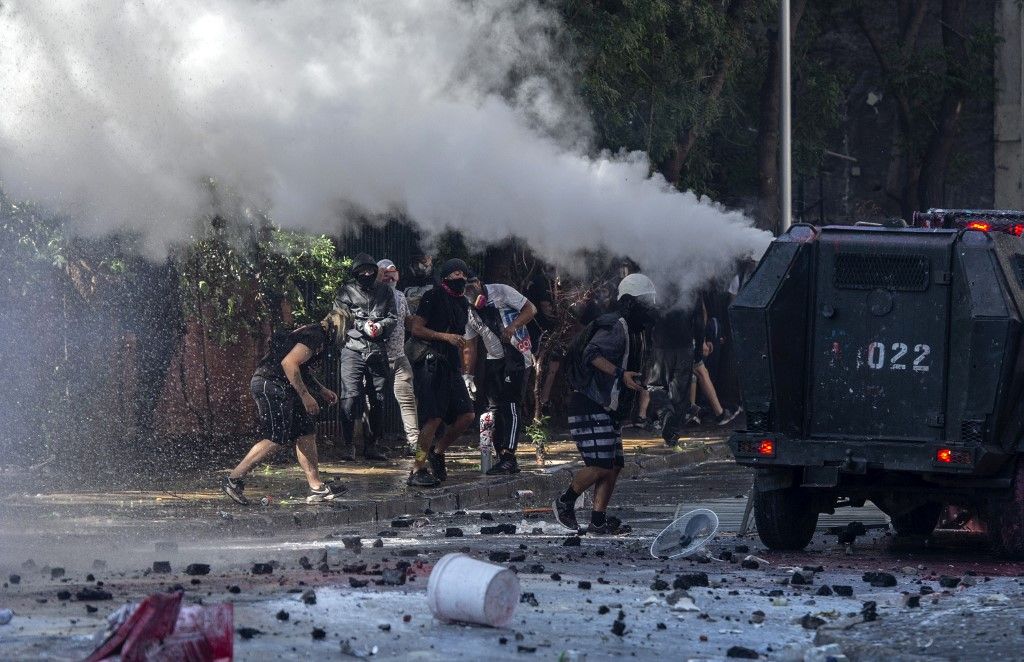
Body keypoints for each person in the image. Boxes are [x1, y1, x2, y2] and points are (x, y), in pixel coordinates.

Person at [553, 273, 658, 534]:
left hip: (607, 408)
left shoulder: (635, 330)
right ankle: (565, 502)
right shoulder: (616, 326)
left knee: (613, 465)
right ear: (630, 303)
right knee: (601, 464)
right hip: (590, 404)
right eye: (646, 302)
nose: (651, 307)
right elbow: (591, 354)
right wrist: (620, 374)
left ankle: (598, 521)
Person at [222, 312, 347, 505]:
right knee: (276, 437)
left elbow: (300, 369)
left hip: (283, 384)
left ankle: (317, 488)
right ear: (340, 327)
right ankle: (233, 479)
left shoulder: (314, 333)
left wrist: (321, 390)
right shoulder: (316, 335)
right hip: (270, 383)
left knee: (306, 431)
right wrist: (306, 396)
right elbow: (289, 363)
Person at [406, 258, 476, 487]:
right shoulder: (432, 296)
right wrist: (444, 337)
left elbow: (462, 337)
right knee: (432, 418)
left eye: (463, 274)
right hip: (431, 363)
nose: (460, 278)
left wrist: (465, 370)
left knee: (467, 415)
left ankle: (438, 451)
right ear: (445, 276)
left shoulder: (463, 303)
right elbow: (416, 329)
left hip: (451, 365)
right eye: (456, 273)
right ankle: (417, 467)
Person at [462, 277, 537, 474]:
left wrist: (513, 327)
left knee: (511, 405)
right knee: (494, 408)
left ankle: (509, 456)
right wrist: (468, 374)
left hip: (517, 355)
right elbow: (471, 345)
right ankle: (501, 455)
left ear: (479, 283)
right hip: (494, 359)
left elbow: (531, 309)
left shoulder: (502, 291)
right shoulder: (468, 310)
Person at [332, 254, 397, 461]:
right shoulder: (345, 291)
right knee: (349, 397)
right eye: (362, 271)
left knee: (377, 398)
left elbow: (393, 317)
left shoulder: (385, 290)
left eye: (370, 271)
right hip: (352, 347)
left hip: (377, 348)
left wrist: (380, 326)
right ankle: (348, 445)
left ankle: (372, 445)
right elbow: (340, 318)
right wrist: (362, 325)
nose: (367, 274)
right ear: (355, 273)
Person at [377, 259, 419, 456]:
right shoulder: (372, 295)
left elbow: (408, 322)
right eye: (384, 272)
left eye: (392, 272)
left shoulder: (401, 296)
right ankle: (373, 442)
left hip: (399, 356)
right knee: (373, 400)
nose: (389, 276)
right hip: (377, 357)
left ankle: (414, 442)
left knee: (407, 398)